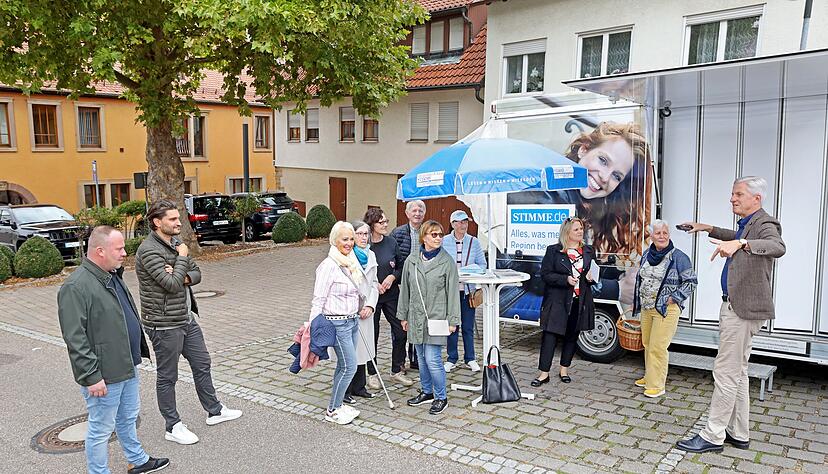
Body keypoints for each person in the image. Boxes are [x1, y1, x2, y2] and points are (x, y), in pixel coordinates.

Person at [676, 176, 785, 453]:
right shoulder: (747, 225)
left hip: (741, 310)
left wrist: (742, 245)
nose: (732, 199)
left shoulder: (765, 223)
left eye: (738, 194)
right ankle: (739, 432)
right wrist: (707, 228)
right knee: (739, 371)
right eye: (732, 194)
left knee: (725, 372)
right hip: (739, 307)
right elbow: (736, 237)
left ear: (755, 199)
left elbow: (777, 246)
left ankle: (712, 436)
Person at [502, 122, 652, 319]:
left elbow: (579, 262)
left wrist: (617, 276)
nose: (605, 177)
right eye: (603, 160)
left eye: (616, 176)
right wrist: (616, 289)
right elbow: (546, 274)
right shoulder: (547, 194)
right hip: (516, 296)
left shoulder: (581, 204)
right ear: (583, 150)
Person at [58, 226, 169, 474]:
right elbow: (75, 338)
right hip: (104, 373)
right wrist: (91, 376)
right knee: (100, 428)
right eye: (118, 248)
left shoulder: (110, 275)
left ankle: (137, 460)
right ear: (100, 251)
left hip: (126, 364)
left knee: (128, 417)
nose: (124, 252)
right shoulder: (76, 286)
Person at [136, 200, 242, 445]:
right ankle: (172, 426)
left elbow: (196, 274)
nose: (178, 223)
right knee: (167, 376)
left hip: (185, 317)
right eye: (172, 219)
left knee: (202, 362)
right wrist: (182, 258)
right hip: (163, 323)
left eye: (177, 218)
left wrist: (179, 270)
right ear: (157, 222)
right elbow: (170, 284)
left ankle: (214, 411)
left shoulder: (174, 243)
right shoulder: (149, 250)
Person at [398, 220, 460, 415]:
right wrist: (403, 315)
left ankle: (441, 396)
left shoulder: (447, 261)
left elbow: (452, 293)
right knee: (422, 359)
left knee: (433, 359)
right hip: (416, 316)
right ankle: (426, 392)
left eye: (441, 235)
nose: (439, 238)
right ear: (424, 236)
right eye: (434, 235)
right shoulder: (412, 260)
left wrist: (453, 320)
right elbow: (405, 290)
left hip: (437, 317)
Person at [632, 220, 697, 398]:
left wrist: (674, 297)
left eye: (665, 233)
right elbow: (642, 279)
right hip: (646, 307)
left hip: (665, 309)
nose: (662, 236)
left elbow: (691, 282)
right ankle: (649, 376)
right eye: (658, 233)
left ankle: (657, 385)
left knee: (658, 347)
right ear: (651, 236)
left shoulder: (679, 257)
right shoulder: (646, 254)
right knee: (647, 343)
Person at [309, 221, 366, 425]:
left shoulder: (350, 261)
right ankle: (332, 409)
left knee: (343, 366)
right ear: (335, 240)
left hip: (352, 321)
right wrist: (312, 326)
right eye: (345, 239)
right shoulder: (328, 266)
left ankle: (339, 404)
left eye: (351, 239)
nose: (349, 243)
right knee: (350, 366)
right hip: (337, 323)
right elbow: (318, 299)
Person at [531, 217, 595, 387]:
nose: (580, 232)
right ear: (567, 232)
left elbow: (593, 273)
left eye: (581, 228)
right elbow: (545, 275)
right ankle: (543, 373)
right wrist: (565, 279)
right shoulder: (554, 250)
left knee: (572, 336)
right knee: (550, 336)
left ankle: (564, 370)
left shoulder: (588, 251)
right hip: (557, 301)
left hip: (579, 301)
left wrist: (590, 279)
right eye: (576, 229)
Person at [363, 208, 414, 388]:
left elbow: (401, 266)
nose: (386, 225)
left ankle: (396, 370)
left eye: (386, 221)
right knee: (372, 334)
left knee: (401, 330)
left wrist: (393, 277)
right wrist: (373, 283)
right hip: (372, 297)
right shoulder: (364, 245)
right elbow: (359, 270)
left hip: (392, 295)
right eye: (381, 222)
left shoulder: (391, 242)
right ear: (372, 225)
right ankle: (372, 373)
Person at [441, 209, 486, 373]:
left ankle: (471, 358)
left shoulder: (474, 242)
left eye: (465, 222)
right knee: (452, 326)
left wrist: (471, 271)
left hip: (468, 291)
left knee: (468, 326)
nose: (463, 225)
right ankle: (451, 358)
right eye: (459, 222)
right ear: (452, 224)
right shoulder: (444, 241)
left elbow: (482, 264)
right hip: (450, 291)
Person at [344, 220, 380, 403]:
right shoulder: (346, 256)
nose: (363, 237)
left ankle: (360, 386)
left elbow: (374, 284)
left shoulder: (371, 255)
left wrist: (371, 305)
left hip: (366, 310)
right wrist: (356, 306)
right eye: (359, 234)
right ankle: (346, 390)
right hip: (351, 310)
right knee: (350, 351)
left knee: (363, 349)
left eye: (366, 234)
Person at [391, 200, 426, 370]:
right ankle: (399, 361)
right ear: (407, 213)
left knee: (418, 321)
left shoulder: (427, 232)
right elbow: (392, 259)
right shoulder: (397, 233)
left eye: (420, 210)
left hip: (421, 284)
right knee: (401, 323)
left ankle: (416, 358)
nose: (417, 213)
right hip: (401, 284)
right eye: (414, 210)